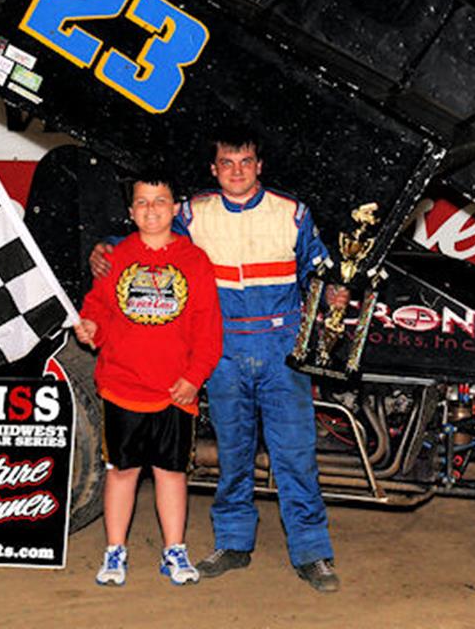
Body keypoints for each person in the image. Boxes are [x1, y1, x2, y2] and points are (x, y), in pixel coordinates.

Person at [90, 127, 341, 592]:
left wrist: (339, 293)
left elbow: (320, 269)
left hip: (282, 349)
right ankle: (232, 542)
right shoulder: (194, 213)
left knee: (295, 455)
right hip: (223, 350)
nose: (237, 172)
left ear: (259, 165)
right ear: (214, 168)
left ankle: (312, 552)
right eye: (227, 163)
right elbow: (150, 233)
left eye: (245, 162)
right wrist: (105, 246)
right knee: (232, 453)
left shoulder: (293, 212)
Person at [75, 170, 222, 587]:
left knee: (171, 472)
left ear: (175, 209)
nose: (151, 209)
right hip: (122, 386)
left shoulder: (195, 261)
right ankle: (114, 550)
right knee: (121, 471)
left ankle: (174, 550)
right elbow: (98, 311)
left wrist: (194, 378)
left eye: (160, 201)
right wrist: (90, 329)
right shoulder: (115, 258)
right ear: (130, 211)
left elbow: (209, 330)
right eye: (142, 202)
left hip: (176, 391)